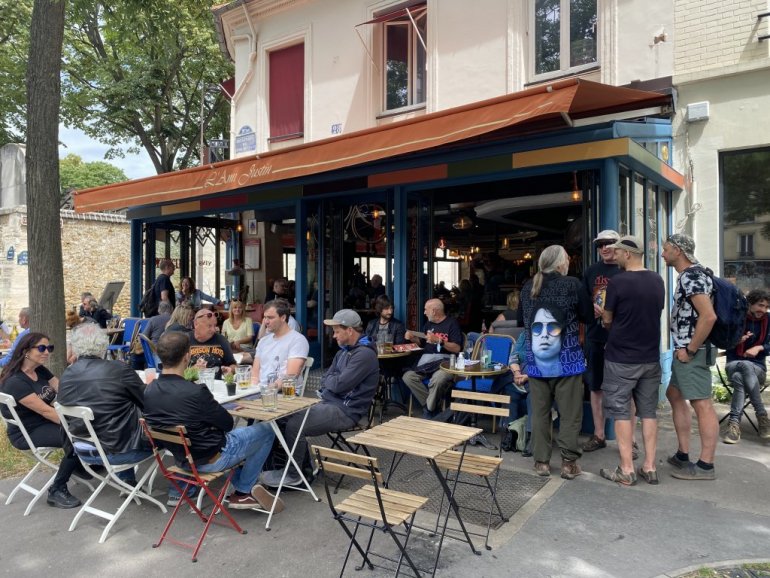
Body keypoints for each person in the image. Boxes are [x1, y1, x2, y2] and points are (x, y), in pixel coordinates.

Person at [143, 331, 282, 510]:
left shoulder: (149, 390)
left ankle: (242, 480)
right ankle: (243, 491)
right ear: (187, 357)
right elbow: (228, 424)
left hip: (181, 459)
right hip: (212, 459)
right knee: (267, 430)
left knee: (234, 435)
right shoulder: (195, 392)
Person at [259, 309, 378, 488]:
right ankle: (304, 468)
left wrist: (333, 381)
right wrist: (333, 381)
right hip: (328, 402)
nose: (334, 336)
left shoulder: (364, 354)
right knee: (282, 416)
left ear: (350, 331)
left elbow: (338, 385)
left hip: (346, 411)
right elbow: (326, 379)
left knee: (295, 424)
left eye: (337, 331)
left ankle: (295, 475)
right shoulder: (343, 352)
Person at [519, 245, 592, 480]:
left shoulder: (528, 286)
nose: (569, 262)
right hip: (568, 362)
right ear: (561, 263)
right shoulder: (572, 284)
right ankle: (569, 464)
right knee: (570, 415)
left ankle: (541, 462)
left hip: (536, 364)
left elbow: (522, 321)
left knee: (539, 414)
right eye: (567, 259)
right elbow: (588, 316)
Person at [597, 236, 665, 486]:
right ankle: (650, 466)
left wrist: (607, 320)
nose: (613, 255)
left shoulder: (618, 282)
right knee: (648, 412)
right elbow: (655, 311)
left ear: (627, 254)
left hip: (621, 358)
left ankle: (626, 469)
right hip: (650, 357)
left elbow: (607, 318)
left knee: (621, 412)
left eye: (617, 252)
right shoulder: (657, 280)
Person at [57, 323, 150, 483]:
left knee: (119, 413)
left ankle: (127, 482)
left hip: (82, 449)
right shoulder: (119, 370)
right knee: (174, 436)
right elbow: (147, 402)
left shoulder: (67, 375)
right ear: (104, 344)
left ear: (76, 347)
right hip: (120, 451)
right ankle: (180, 489)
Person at [0, 332, 82, 508]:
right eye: (42, 348)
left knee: (81, 432)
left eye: (49, 348)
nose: (47, 352)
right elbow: (46, 411)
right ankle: (57, 489)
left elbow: (63, 390)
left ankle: (81, 466)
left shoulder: (40, 370)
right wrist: (79, 424)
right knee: (77, 436)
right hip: (27, 432)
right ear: (26, 351)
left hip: (43, 423)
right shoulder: (15, 382)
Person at [662, 233, 719, 481]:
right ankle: (683, 454)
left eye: (666, 249)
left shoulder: (692, 276)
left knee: (702, 404)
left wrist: (691, 350)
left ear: (678, 250)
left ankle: (706, 465)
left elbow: (708, 316)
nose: (662, 254)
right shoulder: (691, 274)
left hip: (692, 351)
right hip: (685, 350)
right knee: (674, 394)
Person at [581, 230, 622, 453]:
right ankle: (599, 435)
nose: (604, 248)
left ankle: (629, 440)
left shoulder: (626, 268)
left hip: (621, 338)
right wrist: (591, 308)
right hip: (595, 336)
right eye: (600, 244)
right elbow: (581, 301)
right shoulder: (591, 271)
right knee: (595, 386)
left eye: (609, 243)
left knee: (625, 388)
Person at [722, 288, 770, 443]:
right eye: (760, 305)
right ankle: (761, 415)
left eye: (766, 307)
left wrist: (760, 347)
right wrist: (737, 340)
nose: (763, 310)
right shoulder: (736, 318)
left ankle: (734, 424)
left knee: (739, 377)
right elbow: (723, 341)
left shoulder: (768, 320)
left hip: (758, 369)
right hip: (733, 363)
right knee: (744, 365)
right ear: (750, 303)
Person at [402, 299, 463, 418]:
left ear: (434, 311)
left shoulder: (452, 324)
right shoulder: (428, 324)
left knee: (438, 379)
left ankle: (428, 411)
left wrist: (440, 341)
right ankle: (432, 408)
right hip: (427, 362)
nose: (424, 312)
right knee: (408, 377)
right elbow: (422, 343)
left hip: (445, 363)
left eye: (426, 310)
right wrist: (413, 338)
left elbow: (457, 348)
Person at [250, 299, 309, 388]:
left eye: (270, 318)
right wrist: (251, 390)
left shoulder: (298, 340)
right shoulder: (263, 341)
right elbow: (255, 374)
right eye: (265, 317)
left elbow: (290, 377)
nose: (266, 322)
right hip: (260, 390)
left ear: (283, 318)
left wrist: (268, 390)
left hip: (284, 392)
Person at [188, 308, 237, 379]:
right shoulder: (184, 340)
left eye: (215, 326)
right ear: (196, 324)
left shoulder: (221, 340)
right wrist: (193, 371)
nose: (213, 330)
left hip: (216, 384)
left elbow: (233, 365)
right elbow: (175, 373)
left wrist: (231, 370)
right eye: (209, 326)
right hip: (190, 384)